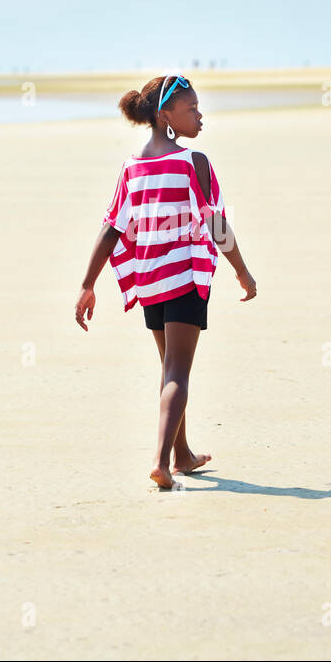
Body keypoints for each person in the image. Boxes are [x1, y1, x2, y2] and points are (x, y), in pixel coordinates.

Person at [75, 74, 257, 489]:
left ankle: (182, 454)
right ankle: (160, 461)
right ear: (165, 116)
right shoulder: (194, 162)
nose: (199, 115)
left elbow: (111, 228)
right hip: (186, 278)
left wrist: (88, 284)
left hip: (151, 280)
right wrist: (242, 271)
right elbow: (216, 223)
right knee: (178, 372)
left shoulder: (132, 167)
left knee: (169, 369)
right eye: (191, 108)